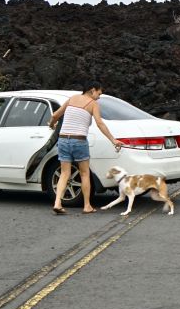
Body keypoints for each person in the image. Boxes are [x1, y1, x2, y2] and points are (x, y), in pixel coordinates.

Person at [48, 82, 124, 214]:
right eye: (99, 94)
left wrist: (51, 125)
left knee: (65, 173)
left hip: (63, 140)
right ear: (92, 90)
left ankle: (57, 203)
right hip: (79, 141)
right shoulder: (93, 104)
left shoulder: (71, 99)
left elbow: (55, 115)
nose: (99, 97)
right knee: (84, 173)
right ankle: (87, 206)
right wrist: (113, 140)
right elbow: (100, 123)